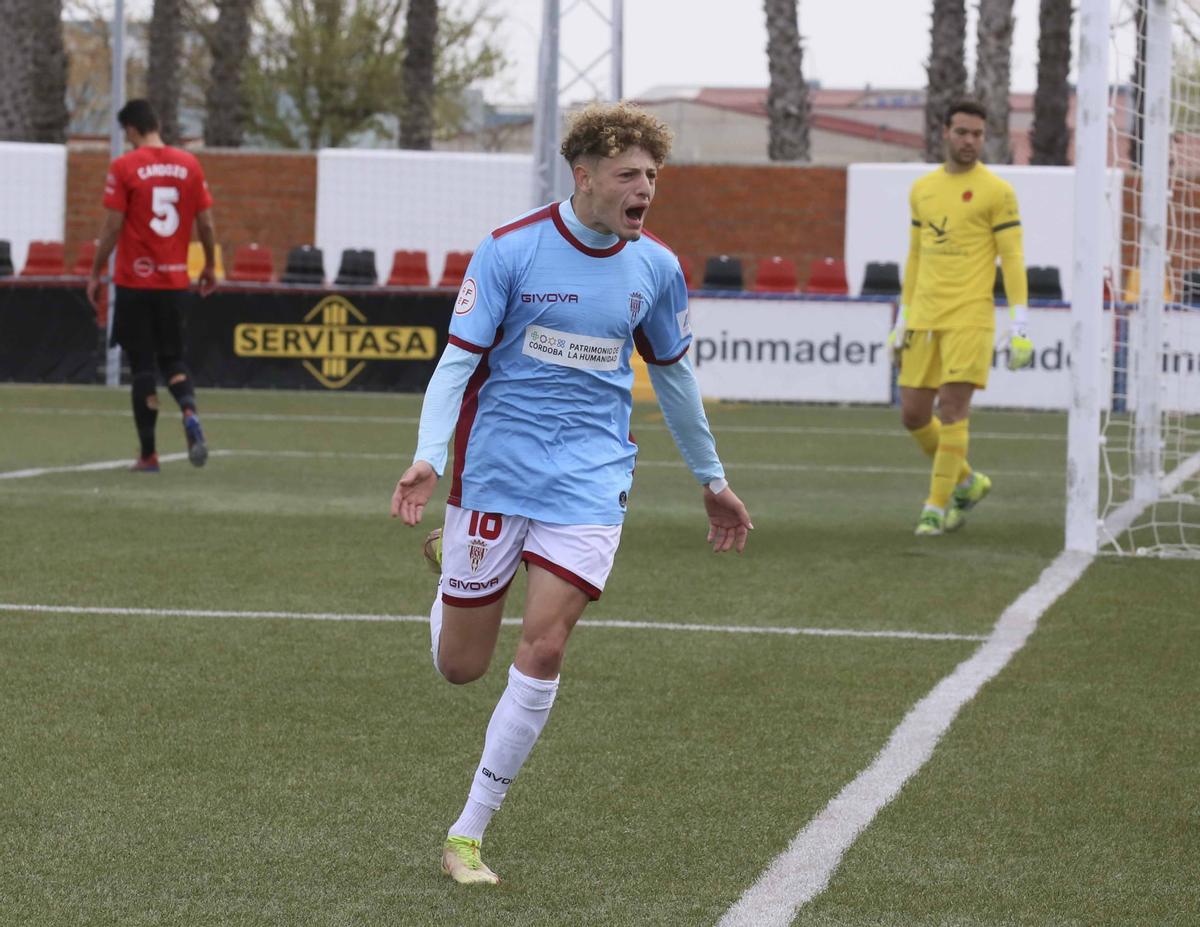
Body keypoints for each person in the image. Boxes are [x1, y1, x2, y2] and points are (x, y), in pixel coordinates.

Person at [390, 101, 754, 885]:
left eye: (652, 177)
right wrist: (428, 456)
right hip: (494, 472)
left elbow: (677, 377)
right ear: (583, 177)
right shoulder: (509, 250)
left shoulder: (655, 266)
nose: (644, 189)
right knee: (461, 666)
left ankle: (467, 834)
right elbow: (457, 363)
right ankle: (451, 576)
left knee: (547, 644)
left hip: (591, 480)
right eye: (628, 175)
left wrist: (712, 479)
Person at [888, 98, 1034, 537]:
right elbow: (915, 256)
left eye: (978, 134)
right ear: (945, 133)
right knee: (913, 414)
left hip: (971, 315)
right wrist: (903, 317)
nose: (970, 141)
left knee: (952, 410)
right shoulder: (923, 190)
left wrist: (1020, 324)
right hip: (925, 317)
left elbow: (1012, 258)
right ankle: (968, 481)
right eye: (962, 132)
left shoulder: (997, 191)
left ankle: (934, 507)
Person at [87, 98, 217, 473]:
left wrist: (95, 272)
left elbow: (112, 227)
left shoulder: (125, 166)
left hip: (135, 282)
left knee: (142, 365)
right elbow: (206, 224)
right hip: (175, 282)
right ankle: (189, 410)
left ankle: (149, 455)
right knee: (173, 360)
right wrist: (208, 264)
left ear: (130, 129)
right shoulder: (189, 165)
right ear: (157, 122)